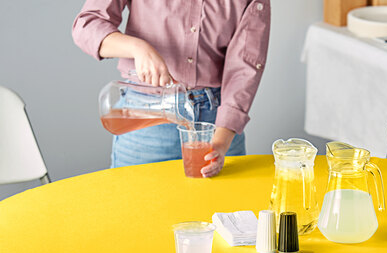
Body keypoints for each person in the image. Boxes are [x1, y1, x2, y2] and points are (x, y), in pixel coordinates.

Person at [72, 0, 270, 177]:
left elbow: (244, 65)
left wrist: (221, 140)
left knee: (220, 212)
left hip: (217, 122)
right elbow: (87, 25)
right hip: (146, 118)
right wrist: (138, 48)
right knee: (139, 210)